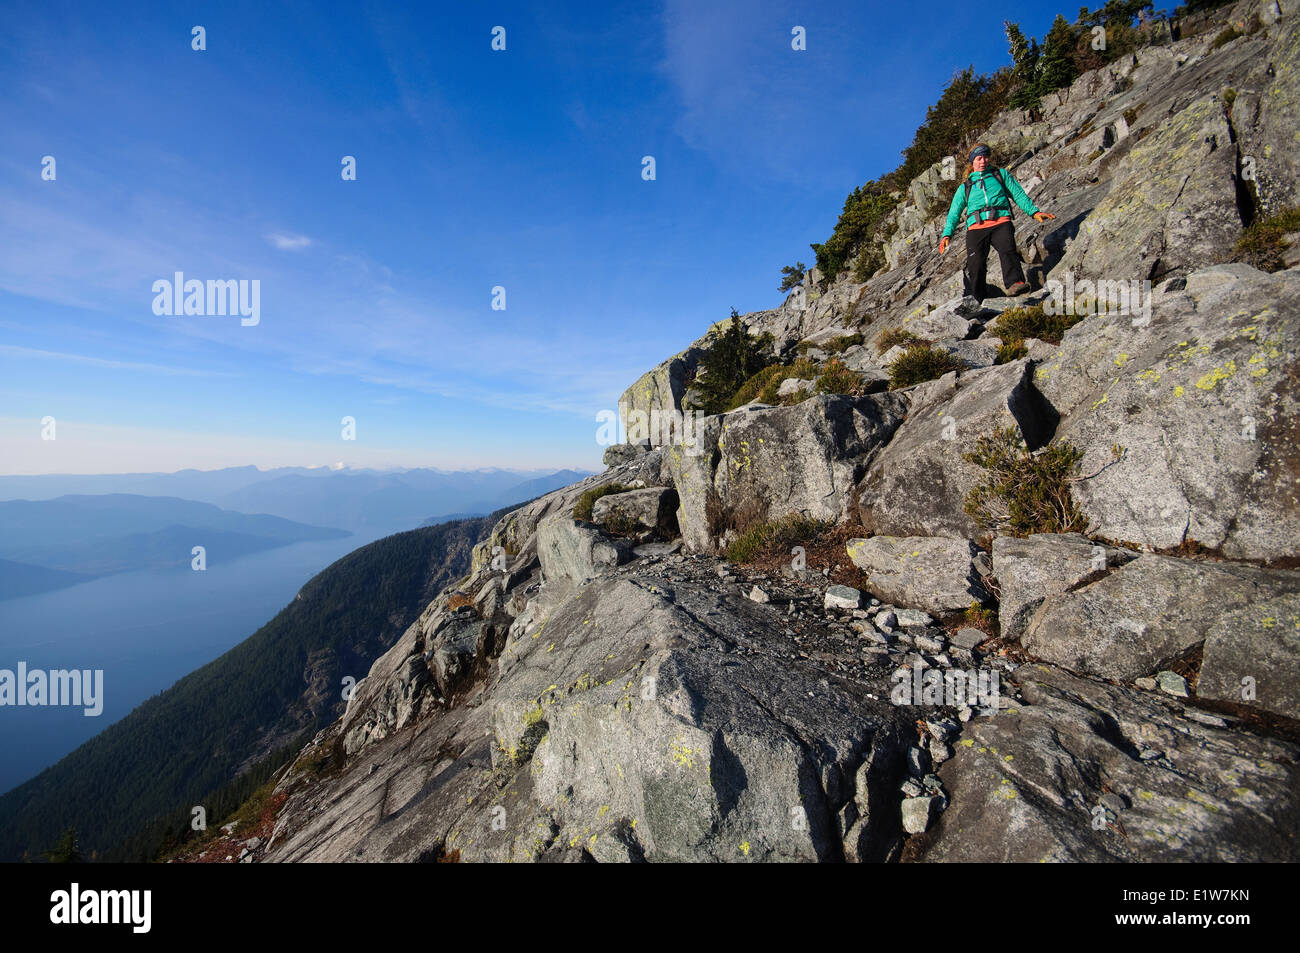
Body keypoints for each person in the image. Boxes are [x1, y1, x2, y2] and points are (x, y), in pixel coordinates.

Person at [938, 143, 1055, 301]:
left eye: (986, 157)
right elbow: (954, 213)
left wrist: (1034, 212)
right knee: (976, 264)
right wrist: (947, 234)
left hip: (1001, 221)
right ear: (972, 162)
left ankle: (1015, 283)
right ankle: (978, 298)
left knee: (1008, 251)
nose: (983, 161)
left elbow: (1018, 194)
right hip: (976, 228)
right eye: (979, 158)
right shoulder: (965, 187)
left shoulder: (1000, 175)